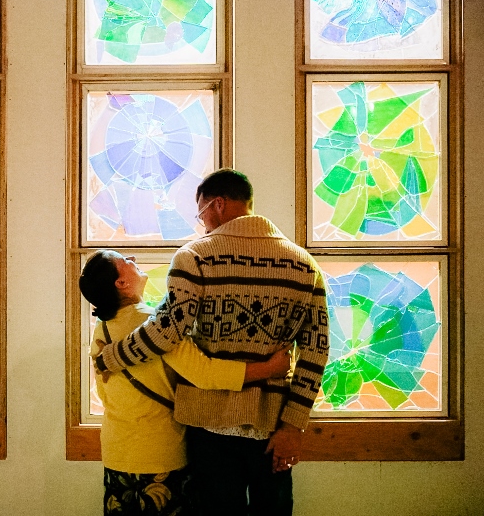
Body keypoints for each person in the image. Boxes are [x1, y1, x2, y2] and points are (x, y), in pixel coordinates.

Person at [93, 169, 330, 516]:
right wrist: (293, 425)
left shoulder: (194, 257)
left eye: (201, 212)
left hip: (208, 428)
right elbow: (316, 350)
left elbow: (167, 331)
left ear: (218, 204)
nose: (202, 223)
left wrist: (112, 357)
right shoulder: (305, 266)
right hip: (273, 426)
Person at [80, 249, 293, 515]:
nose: (132, 259)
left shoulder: (102, 327)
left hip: (116, 451)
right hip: (160, 451)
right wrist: (269, 368)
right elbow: (204, 373)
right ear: (120, 283)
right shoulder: (155, 326)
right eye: (124, 260)